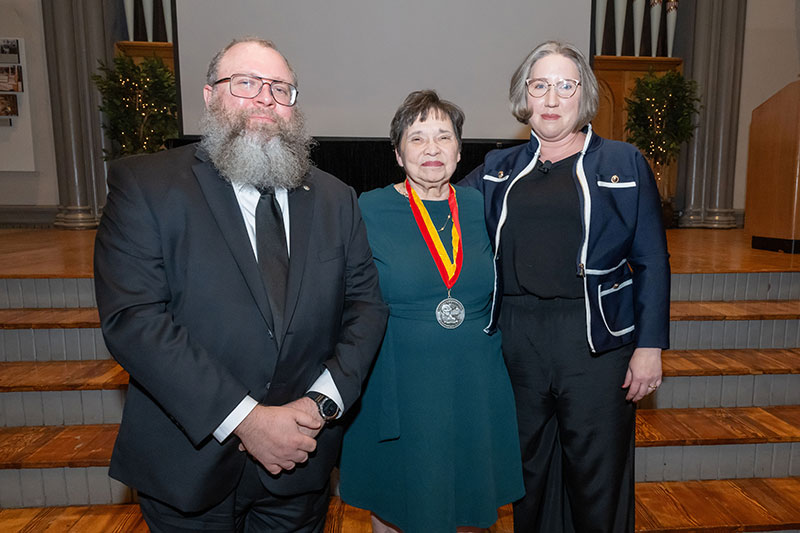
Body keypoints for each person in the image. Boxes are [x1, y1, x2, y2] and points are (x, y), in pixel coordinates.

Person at [93, 37, 388, 532]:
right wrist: (247, 420)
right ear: (209, 96)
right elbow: (135, 320)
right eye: (246, 83)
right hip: (189, 465)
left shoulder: (336, 198)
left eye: (281, 89)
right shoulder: (147, 186)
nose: (265, 99)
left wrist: (318, 407)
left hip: (301, 462)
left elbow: (366, 308)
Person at [460, 41, 670, 532]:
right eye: (539, 86)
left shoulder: (624, 161)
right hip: (516, 342)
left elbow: (652, 259)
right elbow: (438, 206)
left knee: (598, 477)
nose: (551, 99)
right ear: (524, 96)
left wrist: (651, 345)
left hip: (595, 343)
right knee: (527, 476)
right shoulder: (497, 168)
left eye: (564, 86)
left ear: (583, 95)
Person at [339, 90, 524, 533]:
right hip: (397, 380)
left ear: (460, 150)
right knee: (397, 497)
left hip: (475, 381)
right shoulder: (366, 209)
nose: (432, 149)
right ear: (398, 153)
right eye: (417, 138)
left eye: (444, 137)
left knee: (471, 501)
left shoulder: (486, 207)